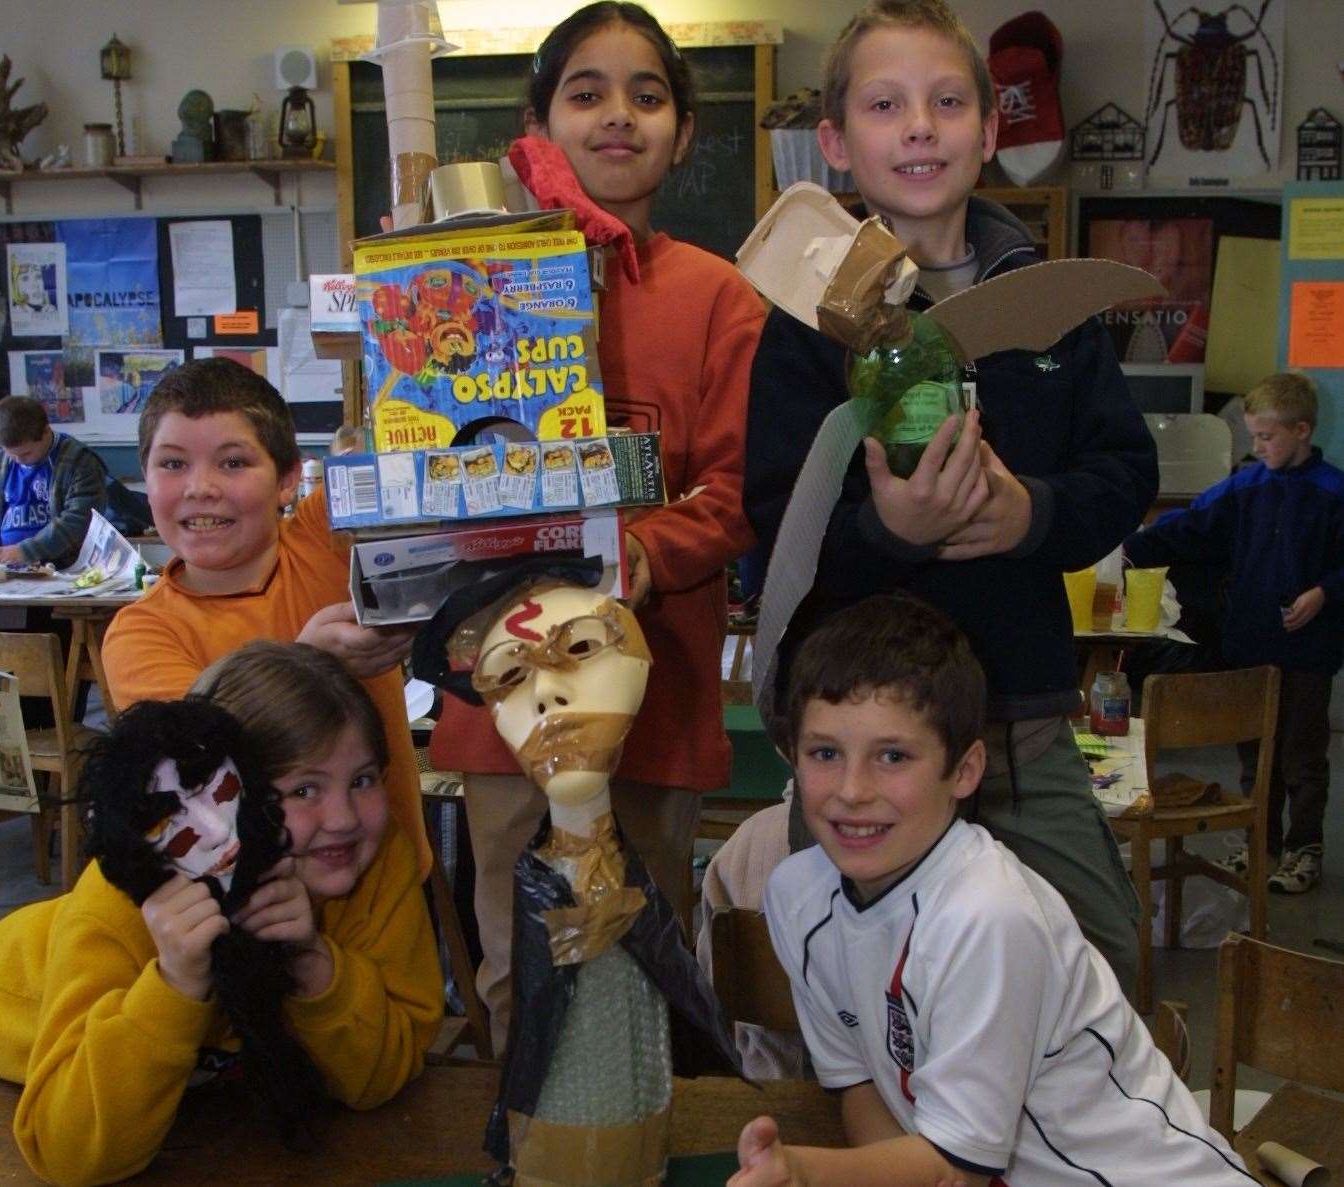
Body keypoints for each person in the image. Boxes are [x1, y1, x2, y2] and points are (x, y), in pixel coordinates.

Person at [742, 0, 1155, 988]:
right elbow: (775, 524)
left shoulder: (1050, 308)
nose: (919, 124)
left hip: (1019, 714)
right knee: (851, 979)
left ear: (988, 129)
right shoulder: (804, 325)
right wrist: (888, 529)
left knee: (1093, 967)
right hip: (856, 727)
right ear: (837, 142)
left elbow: (1123, 473)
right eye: (885, 105)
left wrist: (1033, 514)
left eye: (945, 101)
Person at [428, 1, 766, 1050]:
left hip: (653, 688)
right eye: (586, 93)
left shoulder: (720, 299)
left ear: (684, 131)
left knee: (643, 942)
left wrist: (635, 554)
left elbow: (735, 491)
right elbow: (418, 457)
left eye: (648, 95)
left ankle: (633, 1140)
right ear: (536, 122)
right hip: (502, 685)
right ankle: (521, 1139)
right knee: (508, 948)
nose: (618, 116)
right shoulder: (464, 285)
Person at [730, 594, 1252, 1187]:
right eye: (825, 753)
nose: (852, 790)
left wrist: (804, 1172)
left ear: (965, 771)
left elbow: (955, 1168)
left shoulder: (987, 916)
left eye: (893, 756)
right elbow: (859, 1085)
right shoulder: (797, 896)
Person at [0, 641, 442, 1187]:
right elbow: (72, 1154)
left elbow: (381, 1077)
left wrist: (314, 963)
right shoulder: (123, 898)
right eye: (303, 789)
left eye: (363, 780)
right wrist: (176, 983)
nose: (342, 818)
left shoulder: (376, 857)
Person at [100, 358, 429, 875]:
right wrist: (309, 662)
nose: (199, 487)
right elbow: (201, 769)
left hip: (390, 879)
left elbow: (421, 440)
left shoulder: (328, 534)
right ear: (144, 479)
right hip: (252, 900)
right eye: (172, 464)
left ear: (287, 479)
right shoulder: (140, 634)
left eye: (233, 463)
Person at [1124, 373, 1344, 894]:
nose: (1257, 446)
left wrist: (1325, 592)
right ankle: (1261, 841)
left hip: (1308, 652)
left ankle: (1303, 848)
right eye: (1253, 436)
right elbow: (1191, 526)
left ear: (1302, 430)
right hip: (1249, 646)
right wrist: (1127, 547)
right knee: (1255, 751)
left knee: (1302, 755)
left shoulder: (1333, 493)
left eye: (1267, 437)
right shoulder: (1247, 487)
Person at [0, 394, 107, 568]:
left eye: (26, 453)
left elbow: (79, 520)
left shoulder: (80, 462)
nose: (18, 460)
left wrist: (26, 551)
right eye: (11, 453)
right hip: (5, 570)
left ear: (46, 431)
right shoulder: (1, 463)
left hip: (63, 568)